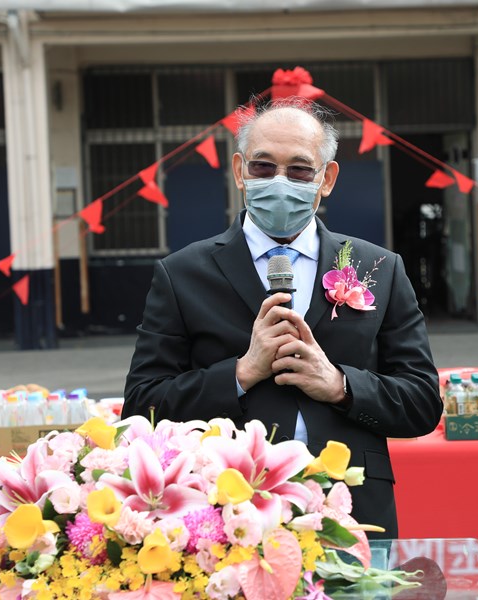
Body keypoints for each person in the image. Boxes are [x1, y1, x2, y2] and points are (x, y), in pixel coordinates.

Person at [122, 98, 443, 538]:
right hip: (225, 511)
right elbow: (142, 408)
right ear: (239, 171)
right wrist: (240, 373)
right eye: (262, 167)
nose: (279, 181)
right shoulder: (182, 274)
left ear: (326, 178)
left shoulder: (378, 269)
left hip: (351, 508)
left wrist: (341, 386)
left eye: (298, 170)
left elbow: (422, 404)